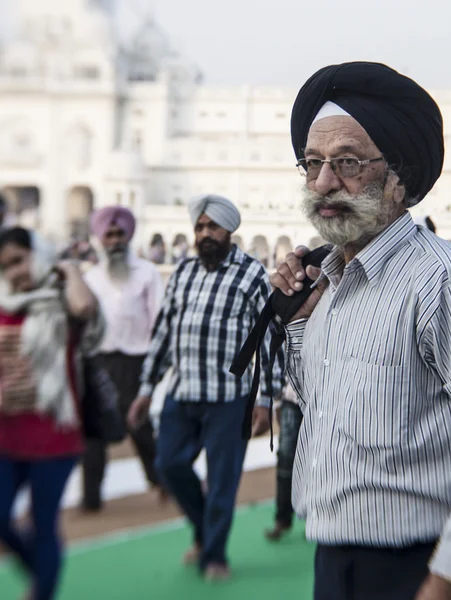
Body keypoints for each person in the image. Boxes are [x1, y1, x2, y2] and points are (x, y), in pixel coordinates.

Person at [272, 61, 451, 600]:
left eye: (346, 162)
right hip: (336, 560)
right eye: (313, 163)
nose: (325, 182)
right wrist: (298, 325)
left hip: (423, 567)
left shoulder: (448, 279)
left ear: (398, 177)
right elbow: (322, 402)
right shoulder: (329, 282)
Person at [128, 194, 285, 581]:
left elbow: (268, 339)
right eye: (200, 227)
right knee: (168, 464)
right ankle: (203, 531)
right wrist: (147, 387)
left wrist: (265, 400)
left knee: (221, 483)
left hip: (228, 401)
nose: (205, 233)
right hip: (181, 394)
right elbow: (164, 332)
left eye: (212, 226)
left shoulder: (250, 274)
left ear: (229, 230)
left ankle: (213, 553)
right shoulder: (183, 272)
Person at [0, 227, 104, 600]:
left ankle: (42, 590)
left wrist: (69, 269)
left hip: (54, 437)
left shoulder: (60, 300)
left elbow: (86, 308)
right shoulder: (3, 301)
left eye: (19, 260)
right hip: (5, 437)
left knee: (44, 524)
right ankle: (42, 571)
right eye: (5, 266)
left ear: (37, 254)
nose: (14, 272)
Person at [82, 207, 164, 512]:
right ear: (100, 239)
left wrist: (157, 363)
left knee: (139, 425)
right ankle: (91, 500)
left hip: (136, 359)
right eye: (109, 235)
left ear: (128, 236)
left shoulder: (147, 272)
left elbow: (159, 318)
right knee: (94, 432)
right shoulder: (90, 277)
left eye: (119, 234)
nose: (115, 240)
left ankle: (160, 483)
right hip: (98, 360)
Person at [265, 384, 303, 542]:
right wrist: (278, 401)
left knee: (321, 459)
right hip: (291, 397)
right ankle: (282, 518)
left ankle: (318, 518)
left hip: (321, 396)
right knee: (286, 459)